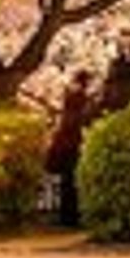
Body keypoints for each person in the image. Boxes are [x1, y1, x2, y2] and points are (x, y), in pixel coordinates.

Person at [44, 70, 99, 230]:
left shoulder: (73, 97)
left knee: (68, 184)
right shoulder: (79, 99)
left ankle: (68, 216)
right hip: (71, 147)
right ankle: (70, 217)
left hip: (67, 146)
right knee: (70, 183)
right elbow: (78, 119)